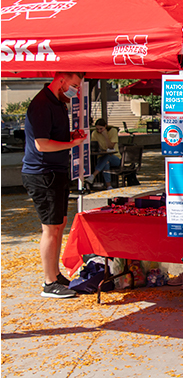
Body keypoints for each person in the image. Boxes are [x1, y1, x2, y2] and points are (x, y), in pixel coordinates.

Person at [21, 72, 87, 298]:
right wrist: (71, 142)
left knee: (60, 224)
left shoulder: (59, 102)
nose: (76, 91)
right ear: (61, 79)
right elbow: (42, 144)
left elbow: (53, 136)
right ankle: (48, 282)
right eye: (75, 85)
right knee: (50, 227)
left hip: (57, 171)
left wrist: (70, 136)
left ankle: (55, 274)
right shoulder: (41, 104)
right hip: (42, 173)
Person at [85, 119, 121, 190]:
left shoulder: (113, 131)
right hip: (101, 157)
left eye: (101, 129)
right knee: (106, 162)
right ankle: (109, 186)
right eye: (97, 129)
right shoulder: (95, 133)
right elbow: (94, 145)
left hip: (115, 158)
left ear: (105, 126)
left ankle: (93, 175)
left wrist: (105, 136)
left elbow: (111, 146)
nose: (99, 131)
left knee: (108, 155)